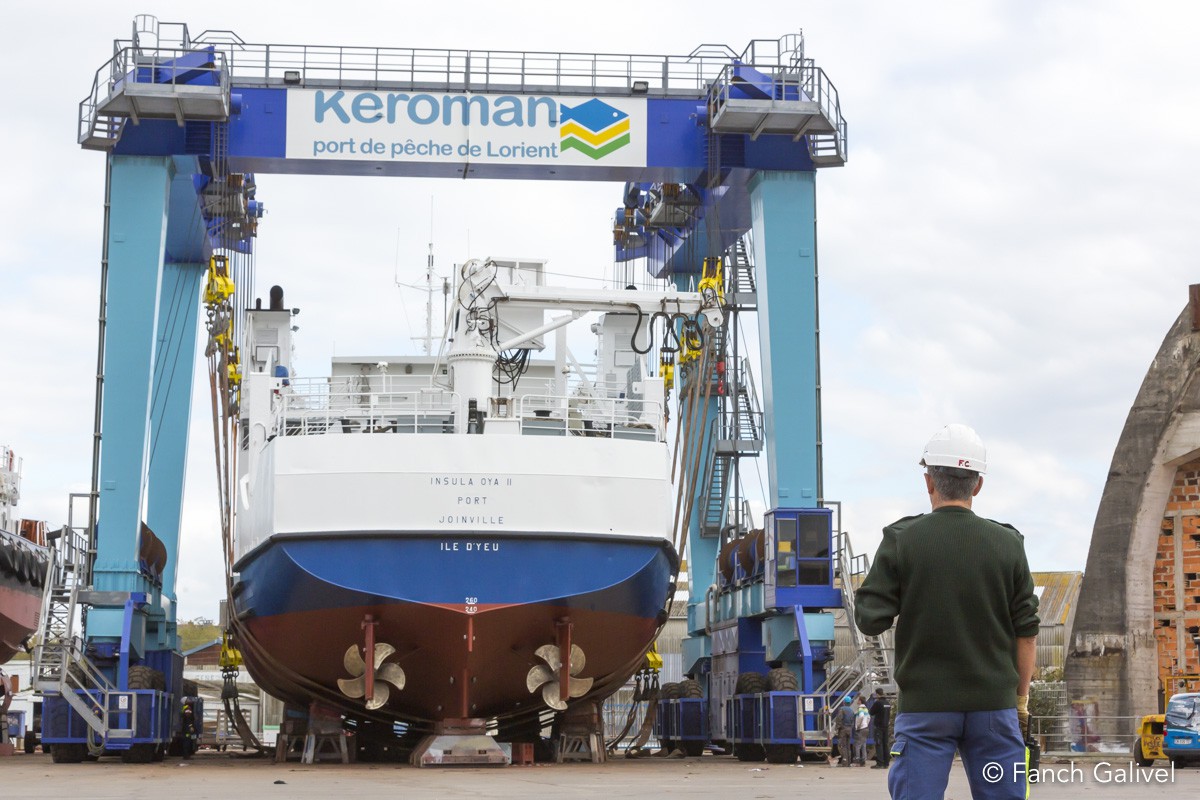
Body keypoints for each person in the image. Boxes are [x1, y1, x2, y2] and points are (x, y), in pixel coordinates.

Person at [854, 424, 1040, 800]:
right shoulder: (1008, 544)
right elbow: (1027, 632)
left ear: (928, 481)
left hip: (925, 710)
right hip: (994, 708)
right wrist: (1019, 701)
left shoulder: (901, 539)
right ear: (977, 485)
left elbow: (869, 617)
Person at [868, 688, 892, 768]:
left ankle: (880, 763)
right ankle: (886, 763)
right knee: (885, 744)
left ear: (877, 694)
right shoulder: (887, 703)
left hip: (879, 727)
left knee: (879, 744)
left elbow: (871, 712)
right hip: (886, 726)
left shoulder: (878, 703)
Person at [835, 695, 856, 766]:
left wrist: (837, 728)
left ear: (844, 702)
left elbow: (839, 719)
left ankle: (844, 762)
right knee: (848, 745)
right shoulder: (851, 710)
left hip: (843, 729)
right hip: (849, 729)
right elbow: (853, 721)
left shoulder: (842, 709)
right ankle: (849, 762)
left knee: (842, 745)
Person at [853, 696, 871, 766]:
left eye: (858, 700)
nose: (857, 701)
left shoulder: (860, 708)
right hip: (866, 728)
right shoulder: (865, 708)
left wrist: (858, 725)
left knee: (857, 745)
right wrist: (866, 724)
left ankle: (857, 761)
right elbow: (869, 717)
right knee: (863, 745)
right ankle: (864, 760)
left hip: (861, 729)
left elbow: (861, 716)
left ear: (860, 701)